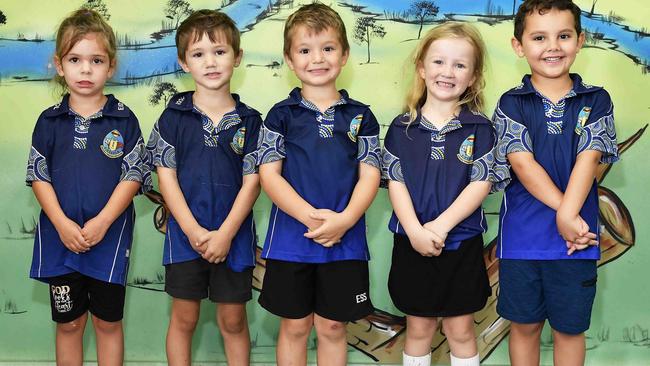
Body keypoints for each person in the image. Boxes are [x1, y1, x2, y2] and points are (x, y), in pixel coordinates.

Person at [493, 1, 619, 365]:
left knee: (569, 330)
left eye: (563, 36)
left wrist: (568, 216)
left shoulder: (596, 99)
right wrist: (564, 212)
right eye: (539, 37)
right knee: (525, 327)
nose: (552, 46)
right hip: (521, 242)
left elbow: (589, 159)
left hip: (577, 240)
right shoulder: (510, 104)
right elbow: (522, 163)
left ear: (580, 40)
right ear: (519, 46)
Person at [255, 3, 381, 365]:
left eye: (328, 48)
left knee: (332, 327)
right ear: (290, 60)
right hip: (292, 243)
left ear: (344, 55)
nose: (317, 58)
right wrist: (310, 217)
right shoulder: (280, 115)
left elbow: (370, 175)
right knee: (295, 327)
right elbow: (269, 175)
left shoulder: (362, 117)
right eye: (305, 50)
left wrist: (344, 220)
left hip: (345, 242)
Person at [26, 8, 150, 366]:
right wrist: (63, 225)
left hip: (107, 239)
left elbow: (133, 175)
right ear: (59, 65)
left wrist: (101, 223)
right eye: (75, 59)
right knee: (69, 325)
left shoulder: (124, 120)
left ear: (110, 66)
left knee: (107, 323)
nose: (85, 69)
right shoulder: (48, 121)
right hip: (60, 239)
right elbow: (38, 175)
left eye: (96, 60)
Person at [382, 22, 504, 366]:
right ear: (422, 68)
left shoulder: (481, 129)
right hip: (411, 243)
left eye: (459, 65)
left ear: (473, 76)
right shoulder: (401, 129)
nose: (447, 72)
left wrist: (440, 227)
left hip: (461, 243)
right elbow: (396, 183)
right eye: (438, 62)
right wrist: (417, 232)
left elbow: (479, 184)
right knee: (418, 330)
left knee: (461, 331)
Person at [146, 10, 262, 366]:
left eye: (220, 52)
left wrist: (225, 233)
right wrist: (194, 231)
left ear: (237, 57)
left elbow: (254, 181)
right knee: (184, 318)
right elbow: (166, 178)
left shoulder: (252, 120)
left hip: (235, 238)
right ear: (184, 63)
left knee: (232, 320)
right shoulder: (172, 118)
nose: (210, 62)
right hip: (185, 238)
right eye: (198, 54)